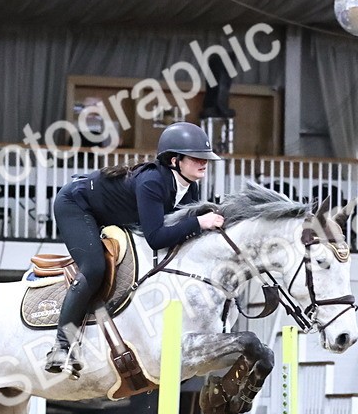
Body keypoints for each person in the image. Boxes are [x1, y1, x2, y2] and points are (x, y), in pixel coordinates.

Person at [43, 122, 226, 376]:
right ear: (175, 161)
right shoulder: (152, 182)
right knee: (94, 268)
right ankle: (62, 346)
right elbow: (156, 237)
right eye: (196, 158)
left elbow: (181, 231)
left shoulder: (190, 187)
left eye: (205, 158)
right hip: (76, 205)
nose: (204, 163)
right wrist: (199, 222)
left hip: (111, 213)